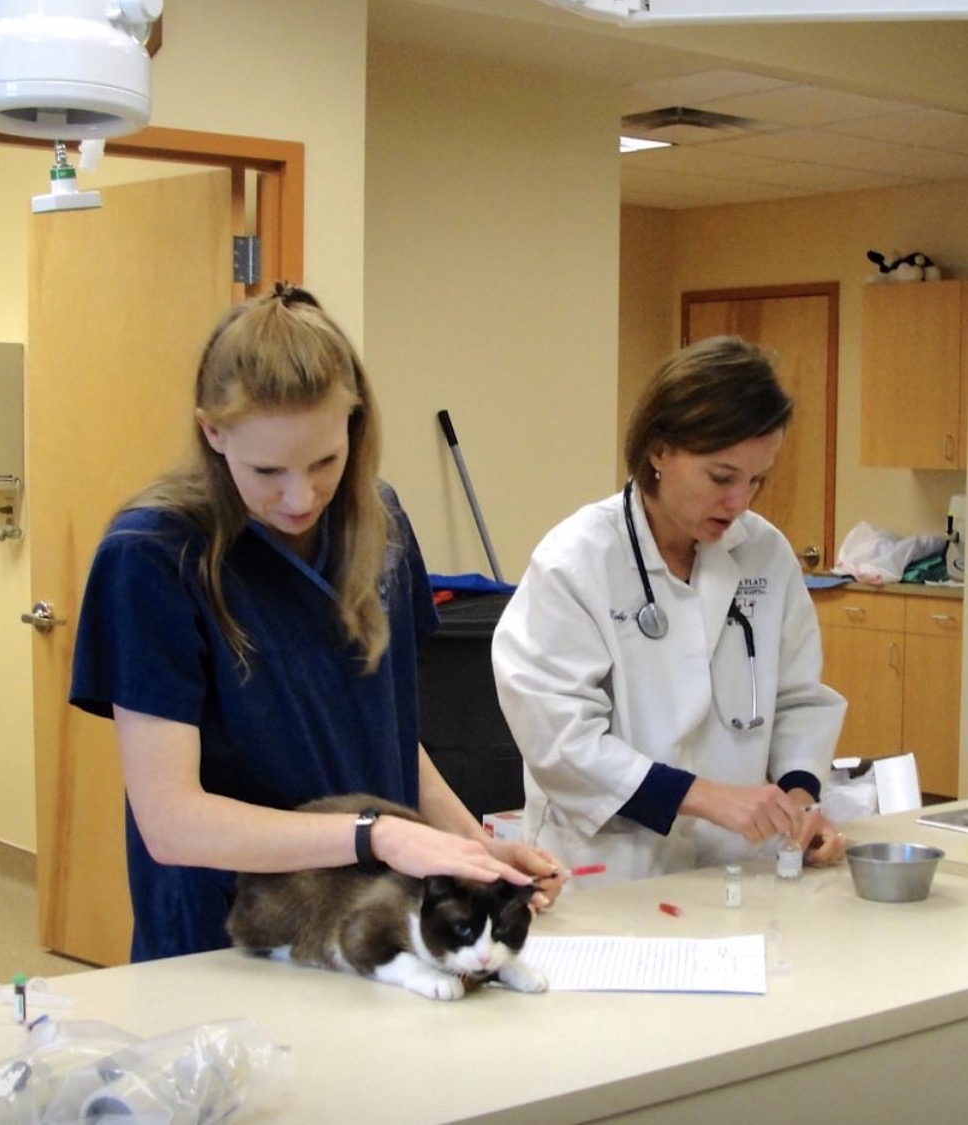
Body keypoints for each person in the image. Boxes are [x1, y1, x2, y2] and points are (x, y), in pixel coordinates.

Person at [70, 282, 561, 961]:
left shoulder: (379, 523)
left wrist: (472, 851)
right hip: (234, 940)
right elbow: (172, 822)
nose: (300, 496)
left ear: (355, 426)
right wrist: (375, 834)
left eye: (325, 462)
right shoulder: (153, 556)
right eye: (267, 469)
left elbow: (389, 735)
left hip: (381, 926)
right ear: (212, 431)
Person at [492, 335, 848, 884]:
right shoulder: (577, 562)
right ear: (659, 451)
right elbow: (560, 740)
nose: (741, 503)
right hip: (610, 868)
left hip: (741, 865)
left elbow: (799, 699)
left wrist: (798, 804)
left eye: (757, 479)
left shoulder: (765, 554)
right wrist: (705, 797)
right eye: (722, 477)